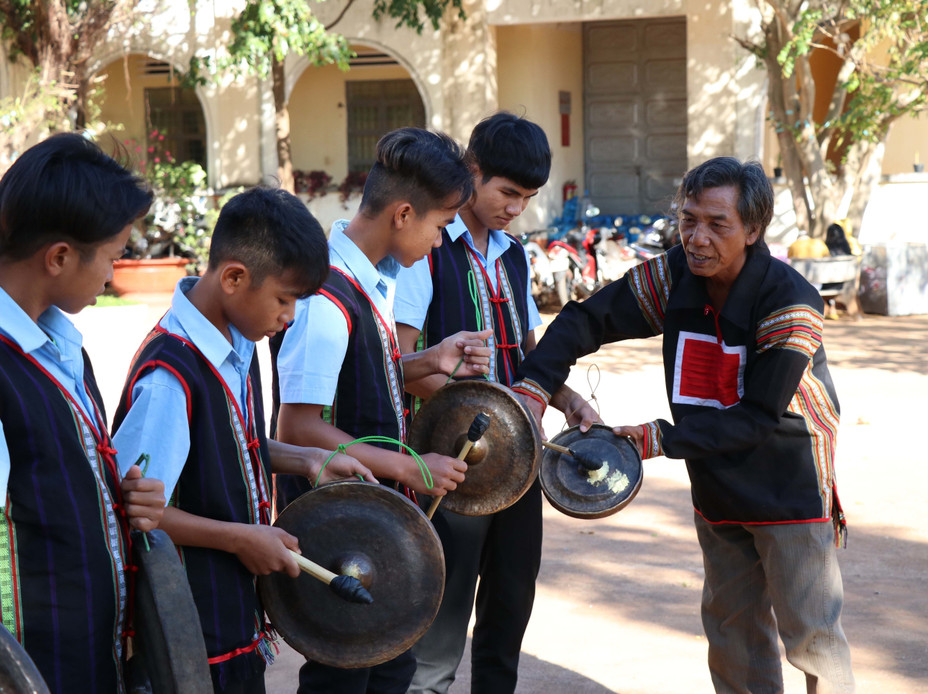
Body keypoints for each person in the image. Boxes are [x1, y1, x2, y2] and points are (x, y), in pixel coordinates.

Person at [512, 157, 855, 694]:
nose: (697, 238)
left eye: (718, 225)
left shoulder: (792, 303)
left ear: (753, 230)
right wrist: (535, 387)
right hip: (715, 480)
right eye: (688, 219)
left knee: (813, 638)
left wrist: (659, 438)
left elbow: (760, 416)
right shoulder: (674, 276)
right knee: (732, 632)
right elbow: (586, 319)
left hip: (788, 482)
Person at [110, 186, 375, 693]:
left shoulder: (237, 339)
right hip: (191, 631)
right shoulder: (170, 379)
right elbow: (136, 511)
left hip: (232, 615)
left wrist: (309, 458)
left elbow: (229, 445)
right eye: (284, 299)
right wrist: (240, 538)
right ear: (234, 277)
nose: (289, 317)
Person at [274, 127, 493, 694]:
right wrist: (408, 467)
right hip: (338, 530)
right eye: (441, 226)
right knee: (344, 675)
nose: (442, 243)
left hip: (372, 522)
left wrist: (427, 360)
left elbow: (360, 380)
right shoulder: (324, 299)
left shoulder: (374, 279)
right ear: (402, 214)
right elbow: (297, 426)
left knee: (390, 666)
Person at [393, 111, 598, 694]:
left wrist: (565, 396)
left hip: (519, 465)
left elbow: (530, 354)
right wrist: (485, 416)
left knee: (510, 607)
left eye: (527, 198)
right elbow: (401, 367)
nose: (515, 208)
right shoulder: (427, 249)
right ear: (473, 171)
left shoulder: (513, 253)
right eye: (507, 193)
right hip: (451, 467)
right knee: (441, 622)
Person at [0, 133, 166, 693]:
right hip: (33, 670)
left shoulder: (60, 346)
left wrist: (118, 498)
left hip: (91, 658)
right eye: (112, 256)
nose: (112, 274)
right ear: (58, 257)